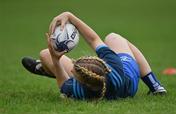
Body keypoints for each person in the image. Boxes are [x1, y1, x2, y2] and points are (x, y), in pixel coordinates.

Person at [22, 12, 167, 100]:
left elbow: (63, 84)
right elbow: (94, 39)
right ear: (104, 64)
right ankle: (155, 86)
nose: (73, 69)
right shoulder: (115, 67)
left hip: (112, 84)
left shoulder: (79, 90)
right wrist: (70, 16)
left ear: (79, 81)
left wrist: (56, 60)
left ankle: (48, 69)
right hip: (128, 78)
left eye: (74, 69)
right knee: (113, 37)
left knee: (45, 55)